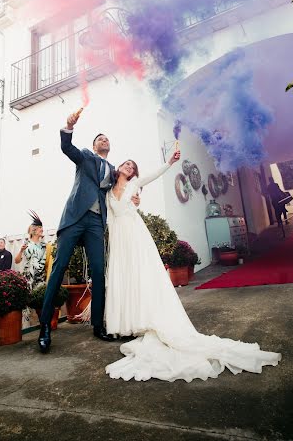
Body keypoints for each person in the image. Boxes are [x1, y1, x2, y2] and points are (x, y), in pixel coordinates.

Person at [104, 155, 282, 382]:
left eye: (132, 166)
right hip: (119, 238)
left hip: (136, 236)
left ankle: (143, 318)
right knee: (124, 276)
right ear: (119, 167)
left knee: (140, 275)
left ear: (133, 173)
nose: (129, 167)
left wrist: (169, 162)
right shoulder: (108, 189)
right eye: (126, 164)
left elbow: (154, 175)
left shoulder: (135, 185)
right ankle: (124, 323)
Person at [38, 111, 140, 353]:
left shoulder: (114, 170)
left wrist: (135, 197)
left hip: (96, 222)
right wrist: (68, 126)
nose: (104, 140)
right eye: (100, 138)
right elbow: (67, 148)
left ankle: (98, 325)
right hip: (75, 218)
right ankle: (45, 327)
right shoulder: (85, 157)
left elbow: (123, 190)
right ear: (94, 145)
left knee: (99, 271)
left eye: (107, 139)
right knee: (59, 268)